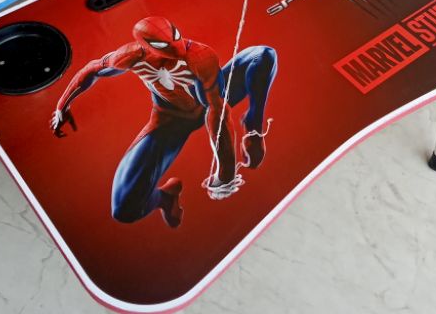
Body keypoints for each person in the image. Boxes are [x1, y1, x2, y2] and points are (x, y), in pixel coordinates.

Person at [50, 16, 278, 227]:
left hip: (211, 100)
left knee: (263, 55)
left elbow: (217, 110)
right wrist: (62, 106)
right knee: (123, 209)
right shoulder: (131, 56)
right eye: (164, 44)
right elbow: (93, 69)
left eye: (176, 37)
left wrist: (227, 171)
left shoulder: (199, 56)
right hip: (171, 120)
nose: (177, 48)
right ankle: (165, 197)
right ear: (146, 46)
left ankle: (253, 124)